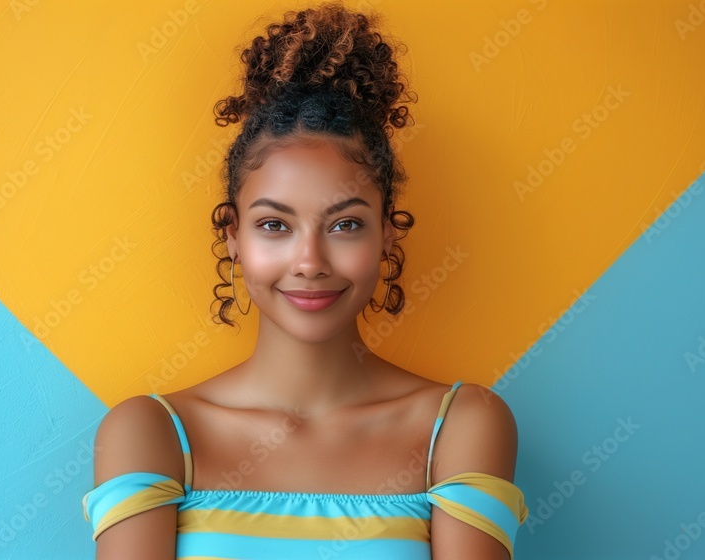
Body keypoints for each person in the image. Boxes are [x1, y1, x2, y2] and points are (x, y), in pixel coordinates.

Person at [82, 2, 529, 558]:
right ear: (234, 240)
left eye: (345, 224)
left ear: (388, 235)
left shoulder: (462, 425)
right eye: (274, 224)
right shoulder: (151, 432)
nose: (310, 260)